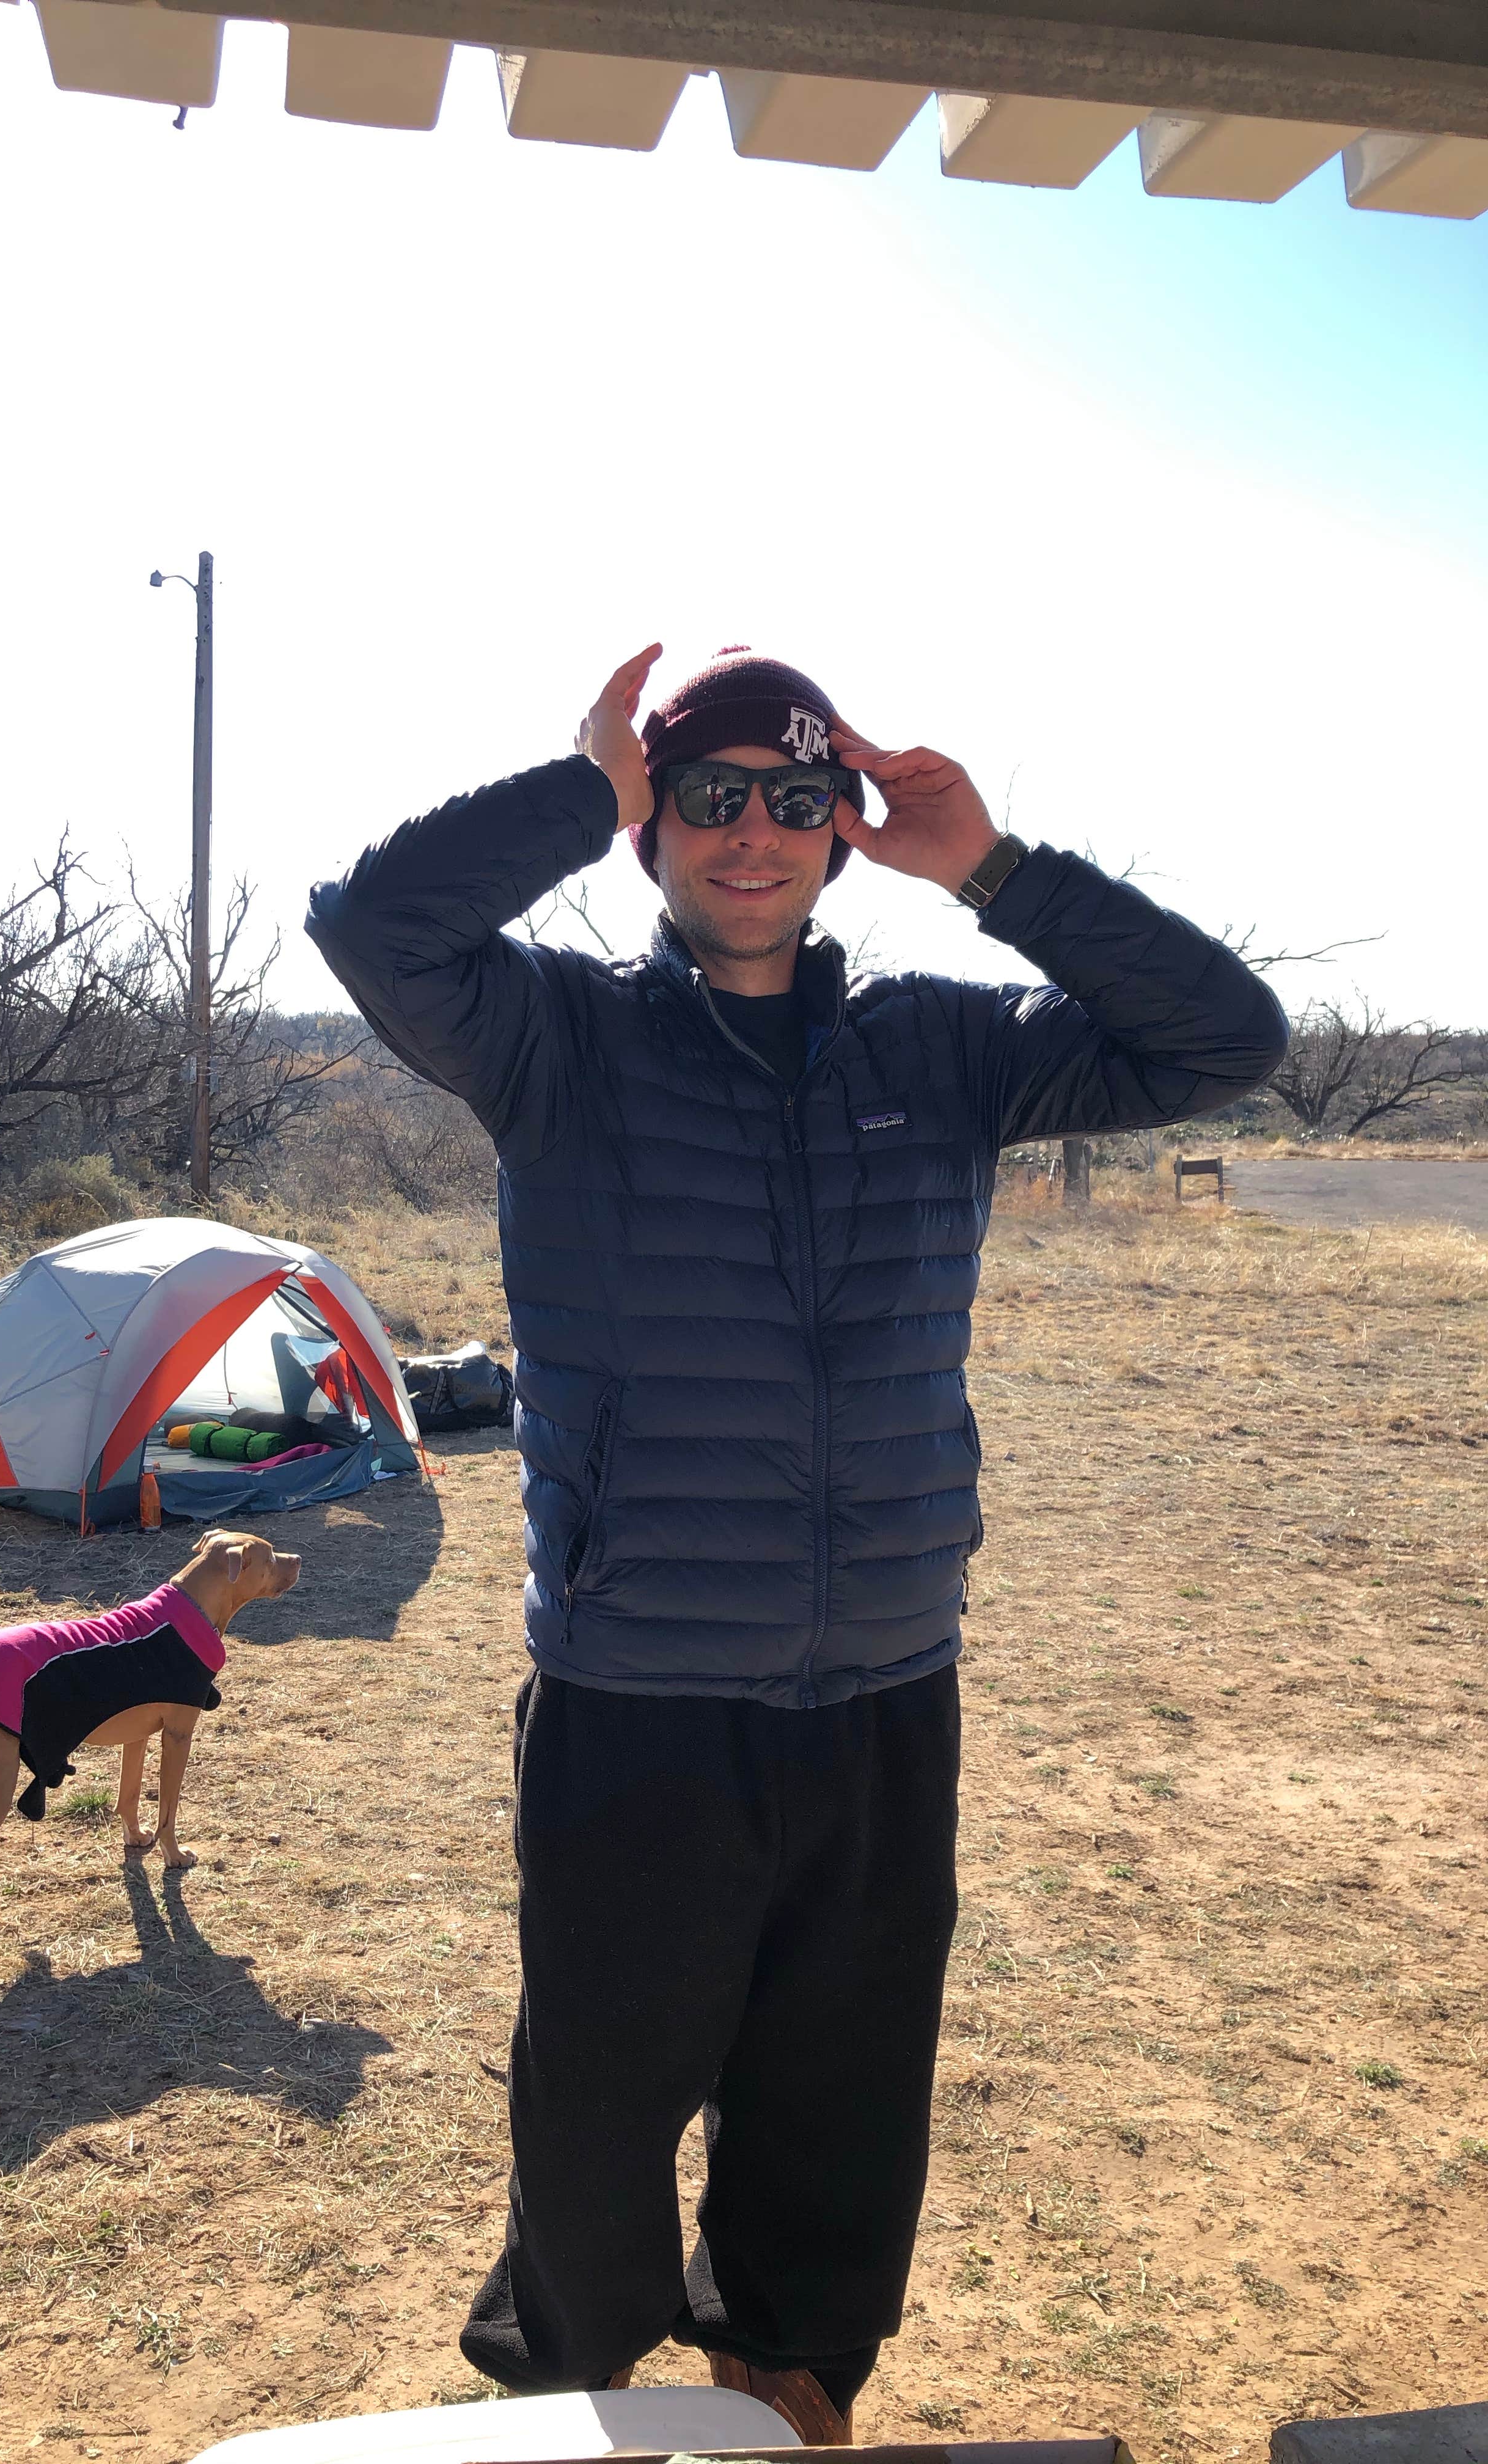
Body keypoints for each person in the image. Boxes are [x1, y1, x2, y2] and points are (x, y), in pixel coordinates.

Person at [305, 645, 1288, 2440]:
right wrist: (579, 787)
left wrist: (991, 868)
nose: (751, 832)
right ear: (656, 827)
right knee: (597, 2106)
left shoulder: (946, 1046)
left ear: (842, 828)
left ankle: (797, 2382)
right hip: (641, 1690)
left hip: (888, 1687)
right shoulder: (554, 1039)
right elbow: (375, 927)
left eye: (795, 797)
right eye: (709, 797)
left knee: (842, 2098)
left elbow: (1228, 1041)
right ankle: (573, 2394)